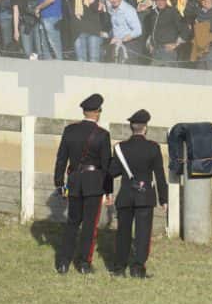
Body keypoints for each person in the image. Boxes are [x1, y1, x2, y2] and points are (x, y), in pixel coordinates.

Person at [53, 94, 113, 275]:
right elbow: (106, 166)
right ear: (96, 112)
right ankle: (84, 263)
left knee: (72, 223)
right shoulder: (102, 135)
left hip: (74, 182)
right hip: (94, 184)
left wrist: (59, 183)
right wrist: (108, 190)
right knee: (89, 225)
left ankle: (63, 262)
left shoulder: (70, 130)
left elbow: (61, 159)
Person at [108, 109, 166, 278]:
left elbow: (113, 172)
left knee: (123, 233)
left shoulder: (120, 148)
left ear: (131, 128)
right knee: (142, 234)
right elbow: (159, 175)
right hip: (145, 196)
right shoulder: (153, 148)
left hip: (126, 195)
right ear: (145, 128)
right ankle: (137, 268)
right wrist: (164, 199)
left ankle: (119, 268)